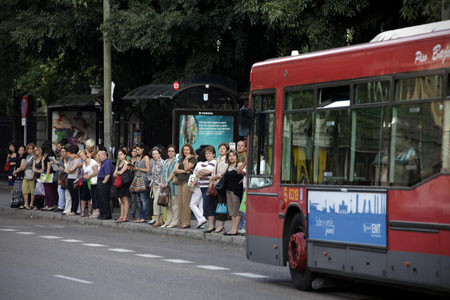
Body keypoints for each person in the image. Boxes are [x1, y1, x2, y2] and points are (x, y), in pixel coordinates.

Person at [173, 144, 196, 229]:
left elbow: (187, 168)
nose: (186, 151)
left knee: (186, 202)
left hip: (187, 182)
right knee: (180, 202)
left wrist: (186, 160)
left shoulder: (192, 159)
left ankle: (186, 222)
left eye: (187, 150)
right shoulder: (180, 159)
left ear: (190, 151)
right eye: (184, 150)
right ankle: (181, 221)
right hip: (179, 181)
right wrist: (183, 171)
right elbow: (175, 170)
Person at [222, 150, 244, 235]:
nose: (231, 157)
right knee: (231, 211)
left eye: (233, 156)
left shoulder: (238, 164)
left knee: (236, 210)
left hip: (236, 190)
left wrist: (242, 180)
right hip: (228, 190)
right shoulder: (228, 166)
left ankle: (235, 229)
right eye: (230, 156)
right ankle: (232, 228)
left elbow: (245, 173)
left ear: (236, 157)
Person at [209, 142, 229, 233]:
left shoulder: (227, 159)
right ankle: (220, 225)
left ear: (227, 150)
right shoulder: (217, 159)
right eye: (220, 148)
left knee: (222, 205)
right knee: (217, 204)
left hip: (222, 185)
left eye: (224, 148)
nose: (221, 150)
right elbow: (213, 172)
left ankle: (221, 225)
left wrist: (213, 178)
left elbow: (221, 173)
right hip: (216, 184)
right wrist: (212, 181)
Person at [189, 148, 208, 229]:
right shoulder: (207, 163)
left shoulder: (199, 163)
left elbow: (197, 175)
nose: (195, 156)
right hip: (204, 185)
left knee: (192, 204)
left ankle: (202, 219)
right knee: (200, 205)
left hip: (197, 185)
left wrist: (192, 185)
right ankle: (201, 223)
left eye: (197, 154)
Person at [161, 145, 179, 228]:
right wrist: (162, 183)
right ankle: (168, 221)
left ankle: (174, 222)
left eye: (172, 151)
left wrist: (167, 181)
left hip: (173, 185)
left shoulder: (177, 161)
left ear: (175, 152)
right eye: (169, 151)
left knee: (174, 204)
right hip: (165, 186)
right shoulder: (165, 161)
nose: (171, 152)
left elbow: (173, 173)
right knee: (167, 204)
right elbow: (162, 173)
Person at [134, 143, 151, 223]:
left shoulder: (146, 157)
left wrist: (139, 168)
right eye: (136, 150)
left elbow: (147, 169)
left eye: (138, 149)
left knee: (143, 199)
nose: (137, 151)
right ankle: (140, 216)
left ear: (142, 149)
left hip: (143, 179)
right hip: (137, 179)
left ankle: (144, 216)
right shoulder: (138, 158)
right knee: (138, 200)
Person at [113, 149, 131, 223]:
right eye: (118, 154)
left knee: (125, 199)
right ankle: (121, 215)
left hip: (124, 183)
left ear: (125, 155)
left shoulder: (126, 163)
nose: (119, 156)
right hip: (119, 183)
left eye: (121, 154)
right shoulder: (119, 163)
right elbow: (114, 174)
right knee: (121, 200)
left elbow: (121, 172)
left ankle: (125, 216)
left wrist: (117, 172)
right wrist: (117, 172)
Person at [80, 150, 99, 218]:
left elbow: (96, 172)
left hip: (95, 181)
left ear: (86, 155)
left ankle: (97, 211)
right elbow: (84, 172)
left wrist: (89, 176)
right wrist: (85, 176)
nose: (81, 157)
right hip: (89, 182)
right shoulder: (84, 163)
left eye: (82, 155)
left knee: (96, 196)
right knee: (92, 196)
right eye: (80, 156)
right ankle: (94, 211)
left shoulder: (92, 161)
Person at [149, 147, 165, 227]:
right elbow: (153, 175)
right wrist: (151, 185)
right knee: (158, 202)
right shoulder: (154, 162)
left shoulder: (162, 162)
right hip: (154, 184)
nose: (154, 155)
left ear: (159, 154)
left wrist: (162, 183)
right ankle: (160, 220)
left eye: (156, 154)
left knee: (156, 202)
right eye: (153, 154)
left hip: (160, 185)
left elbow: (163, 174)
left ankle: (157, 220)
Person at [65, 144, 81, 216]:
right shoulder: (69, 160)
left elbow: (71, 170)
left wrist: (68, 170)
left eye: (72, 154)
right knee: (71, 195)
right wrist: (69, 170)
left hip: (75, 179)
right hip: (69, 178)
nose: (70, 155)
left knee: (75, 195)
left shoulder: (78, 161)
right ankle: (72, 209)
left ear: (75, 154)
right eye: (70, 153)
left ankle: (74, 210)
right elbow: (66, 170)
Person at [97, 150, 113, 220]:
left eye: (99, 155)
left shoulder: (107, 162)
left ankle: (106, 214)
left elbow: (108, 174)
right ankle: (102, 213)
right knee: (101, 198)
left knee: (104, 198)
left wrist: (104, 182)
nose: (98, 157)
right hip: (101, 180)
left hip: (104, 182)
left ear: (104, 155)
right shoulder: (103, 162)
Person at [42, 143, 59, 211]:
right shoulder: (49, 154)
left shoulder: (50, 155)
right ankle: (48, 204)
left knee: (49, 190)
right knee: (47, 190)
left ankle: (50, 204)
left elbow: (49, 166)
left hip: (49, 174)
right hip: (47, 173)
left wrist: (47, 176)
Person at [21, 143, 35, 209]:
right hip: (26, 173)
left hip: (31, 173)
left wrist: (33, 175)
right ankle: (25, 203)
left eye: (31, 148)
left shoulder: (34, 156)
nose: (30, 150)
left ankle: (31, 204)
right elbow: (23, 167)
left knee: (32, 189)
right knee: (24, 189)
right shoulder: (27, 156)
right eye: (28, 148)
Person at [55, 147, 68, 213]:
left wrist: (64, 169)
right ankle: (60, 206)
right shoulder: (61, 161)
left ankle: (66, 206)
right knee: (60, 191)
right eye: (61, 152)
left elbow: (67, 169)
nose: (62, 153)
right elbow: (60, 170)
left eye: (64, 151)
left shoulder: (69, 159)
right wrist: (59, 179)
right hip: (62, 177)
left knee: (67, 193)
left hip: (68, 178)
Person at [128, 147, 139, 220]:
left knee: (134, 198)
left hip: (135, 179)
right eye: (133, 151)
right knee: (129, 198)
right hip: (129, 179)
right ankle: (131, 212)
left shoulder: (138, 160)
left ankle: (132, 213)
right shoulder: (129, 160)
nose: (134, 153)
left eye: (136, 151)